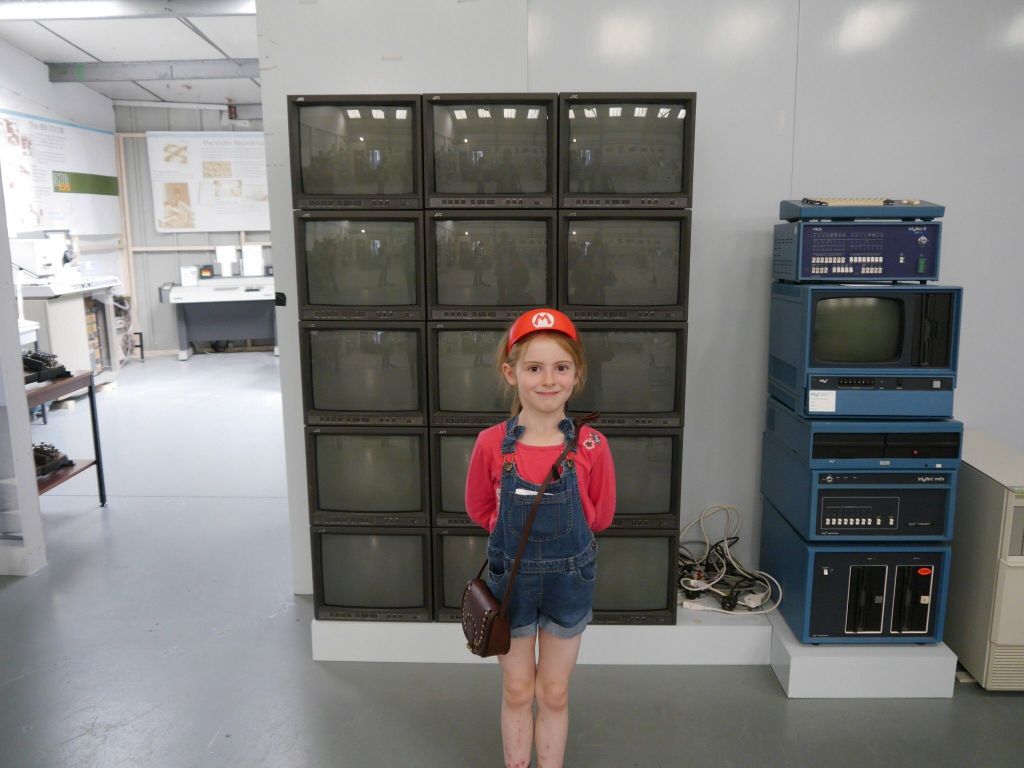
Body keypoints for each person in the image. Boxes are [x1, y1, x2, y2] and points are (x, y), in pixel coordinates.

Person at [465, 308, 616, 768]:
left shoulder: (592, 445)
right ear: (511, 374)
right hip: (510, 582)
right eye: (534, 368)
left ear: (577, 376)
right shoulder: (492, 443)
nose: (548, 379)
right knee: (517, 688)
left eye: (561, 367)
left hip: (570, 580)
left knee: (553, 691)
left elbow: (602, 515)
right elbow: (480, 508)